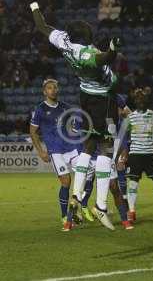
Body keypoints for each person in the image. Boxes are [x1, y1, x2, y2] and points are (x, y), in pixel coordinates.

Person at [30, 1, 122, 230]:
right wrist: (113, 49)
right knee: (106, 146)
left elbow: (42, 26)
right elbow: (105, 60)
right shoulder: (86, 52)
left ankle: (77, 194)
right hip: (103, 99)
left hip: (85, 95)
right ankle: (100, 205)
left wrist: (34, 7)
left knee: (90, 145)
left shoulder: (64, 40)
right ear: (85, 36)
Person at [29, 79, 94, 230]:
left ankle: (80, 204)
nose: (53, 90)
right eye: (50, 88)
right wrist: (40, 151)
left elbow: (74, 127)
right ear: (45, 92)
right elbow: (33, 132)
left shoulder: (66, 107)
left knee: (88, 172)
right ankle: (65, 215)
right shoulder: (40, 109)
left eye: (55, 88)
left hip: (71, 148)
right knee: (66, 181)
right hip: (55, 151)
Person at [124, 88, 153, 221]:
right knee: (133, 183)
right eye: (138, 98)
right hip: (135, 154)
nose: (140, 101)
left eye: (143, 98)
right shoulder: (131, 117)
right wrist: (125, 153)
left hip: (151, 153)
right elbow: (125, 137)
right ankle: (132, 211)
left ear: (146, 100)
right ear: (135, 101)